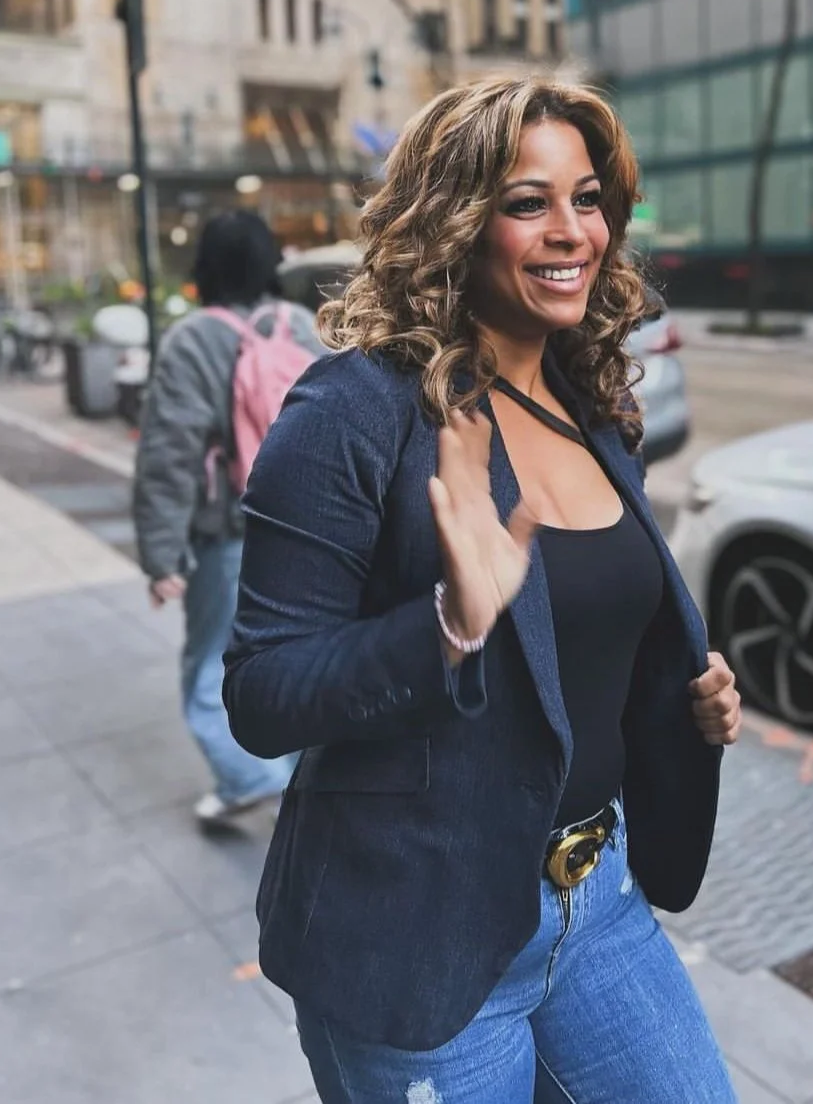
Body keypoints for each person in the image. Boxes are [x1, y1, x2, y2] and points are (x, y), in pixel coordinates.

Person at [223, 78, 743, 1102]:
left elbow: (586, 636)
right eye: (527, 202)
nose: (572, 231)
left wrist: (686, 697)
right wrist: (448, 627)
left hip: (599, 905)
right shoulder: (352, 411)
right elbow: (262, 692)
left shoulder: (589, 398)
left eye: (586, 199)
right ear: (454, 220)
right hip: (419, 932)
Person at [133, 209, 326, 825]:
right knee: (294, 657)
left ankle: (249, 778)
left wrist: (162, 557)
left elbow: (169, 456)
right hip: (309, 530)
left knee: (210, 664)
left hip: (229, 537)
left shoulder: (192, 340)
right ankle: (298, 780)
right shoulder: (301, 325)